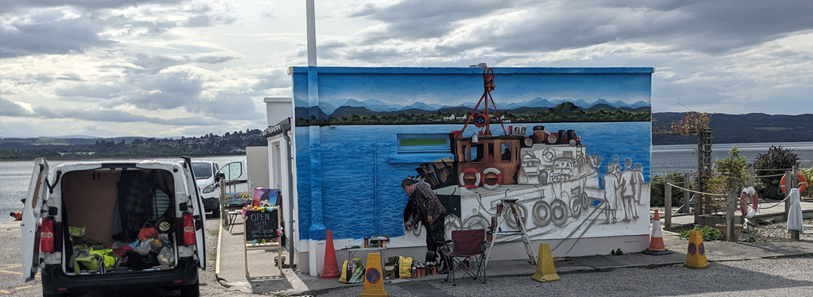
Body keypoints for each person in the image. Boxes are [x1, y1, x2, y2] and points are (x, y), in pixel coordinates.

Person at [402, 178, 447, 270]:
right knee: (430, 242)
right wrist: (413, 222)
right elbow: (420, 212)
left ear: (407, 187)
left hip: (436, 217)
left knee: (439, 241)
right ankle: (433, 265)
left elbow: (432, 198)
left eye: (404, 190)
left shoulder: (421, 187)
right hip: (430, 220)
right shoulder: (416, 194)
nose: (405, 192)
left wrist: (430, 214)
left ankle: (447, 264)